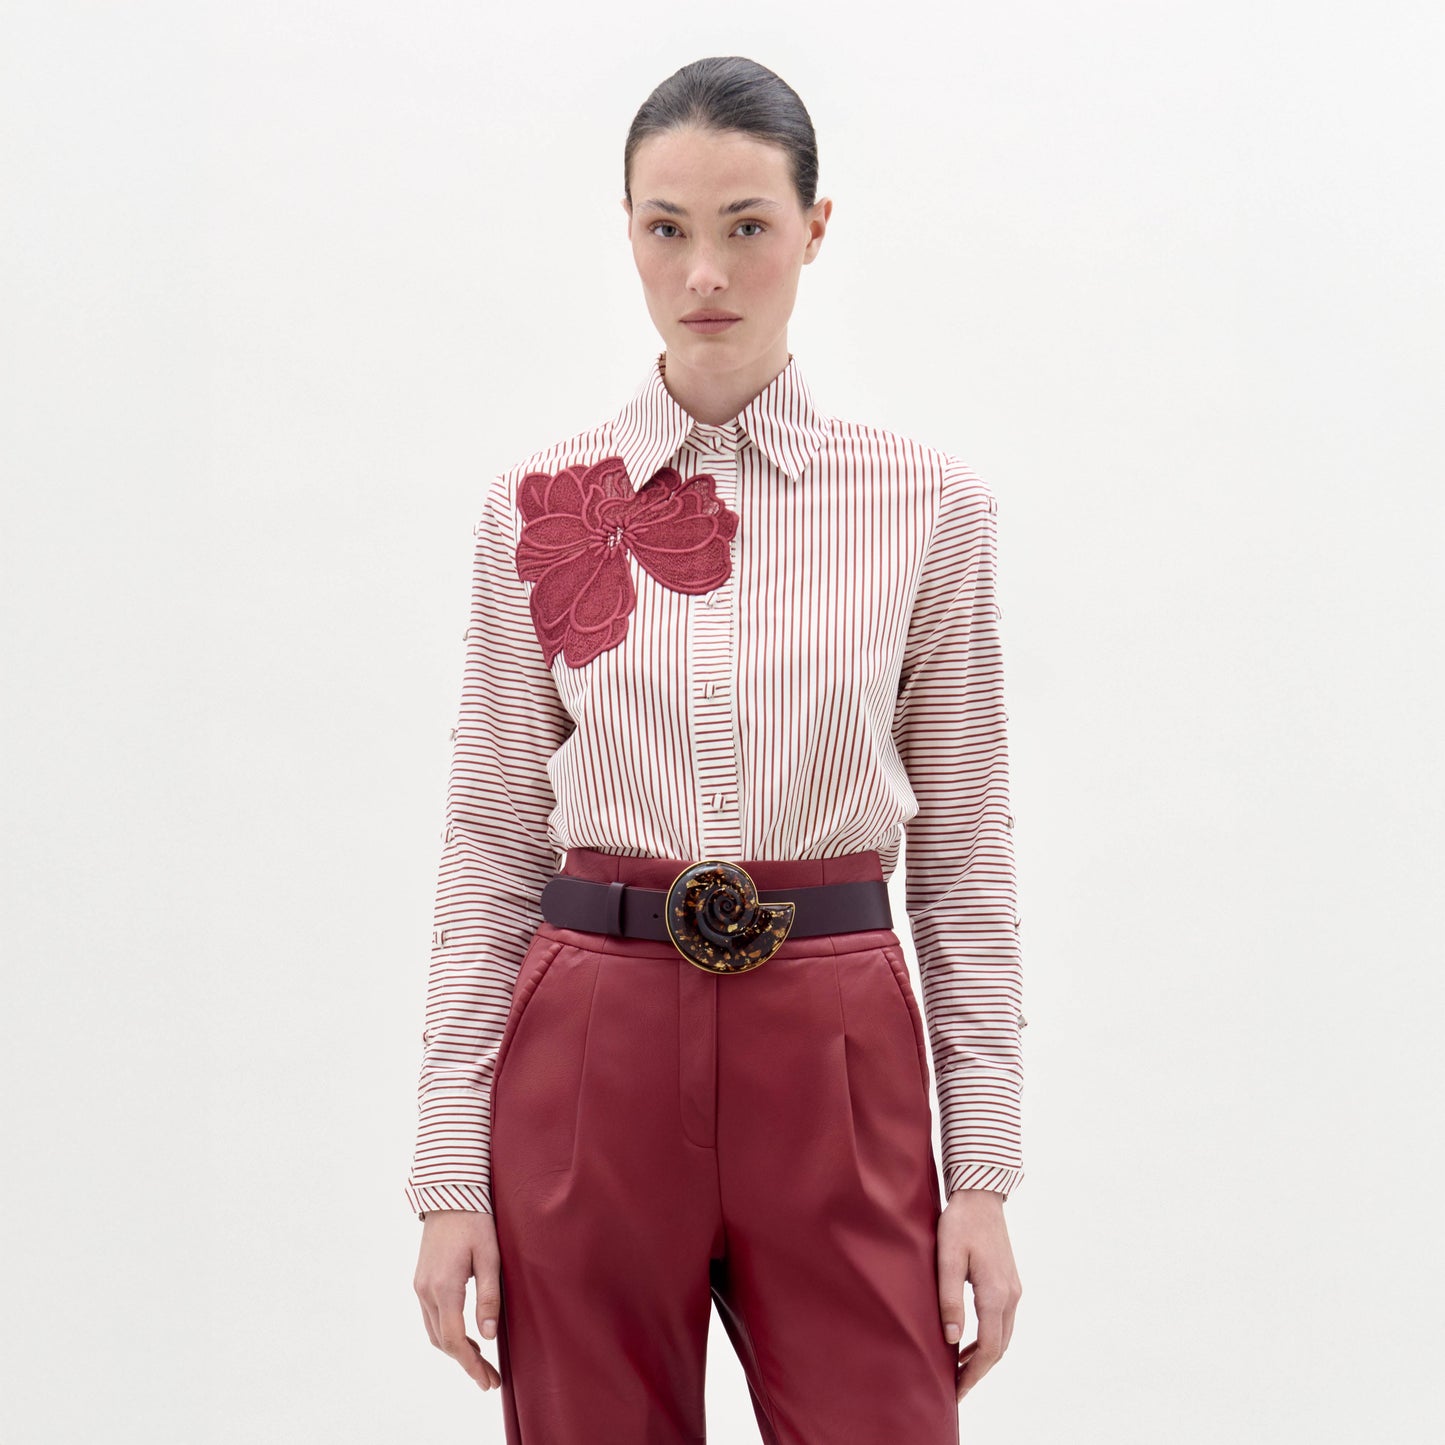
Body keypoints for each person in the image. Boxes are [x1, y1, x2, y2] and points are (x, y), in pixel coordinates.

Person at [407, 54, 1026, 1445]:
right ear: (624, 230)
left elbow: (965, 861)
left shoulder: (929, 507)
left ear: (814, 228)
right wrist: (450, 1170)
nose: (704, 270)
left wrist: (979, 1170)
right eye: (665, 227)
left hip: (838, 1043)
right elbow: (493, 842)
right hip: (588, 1042)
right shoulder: (535, 508)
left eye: (747, 224)